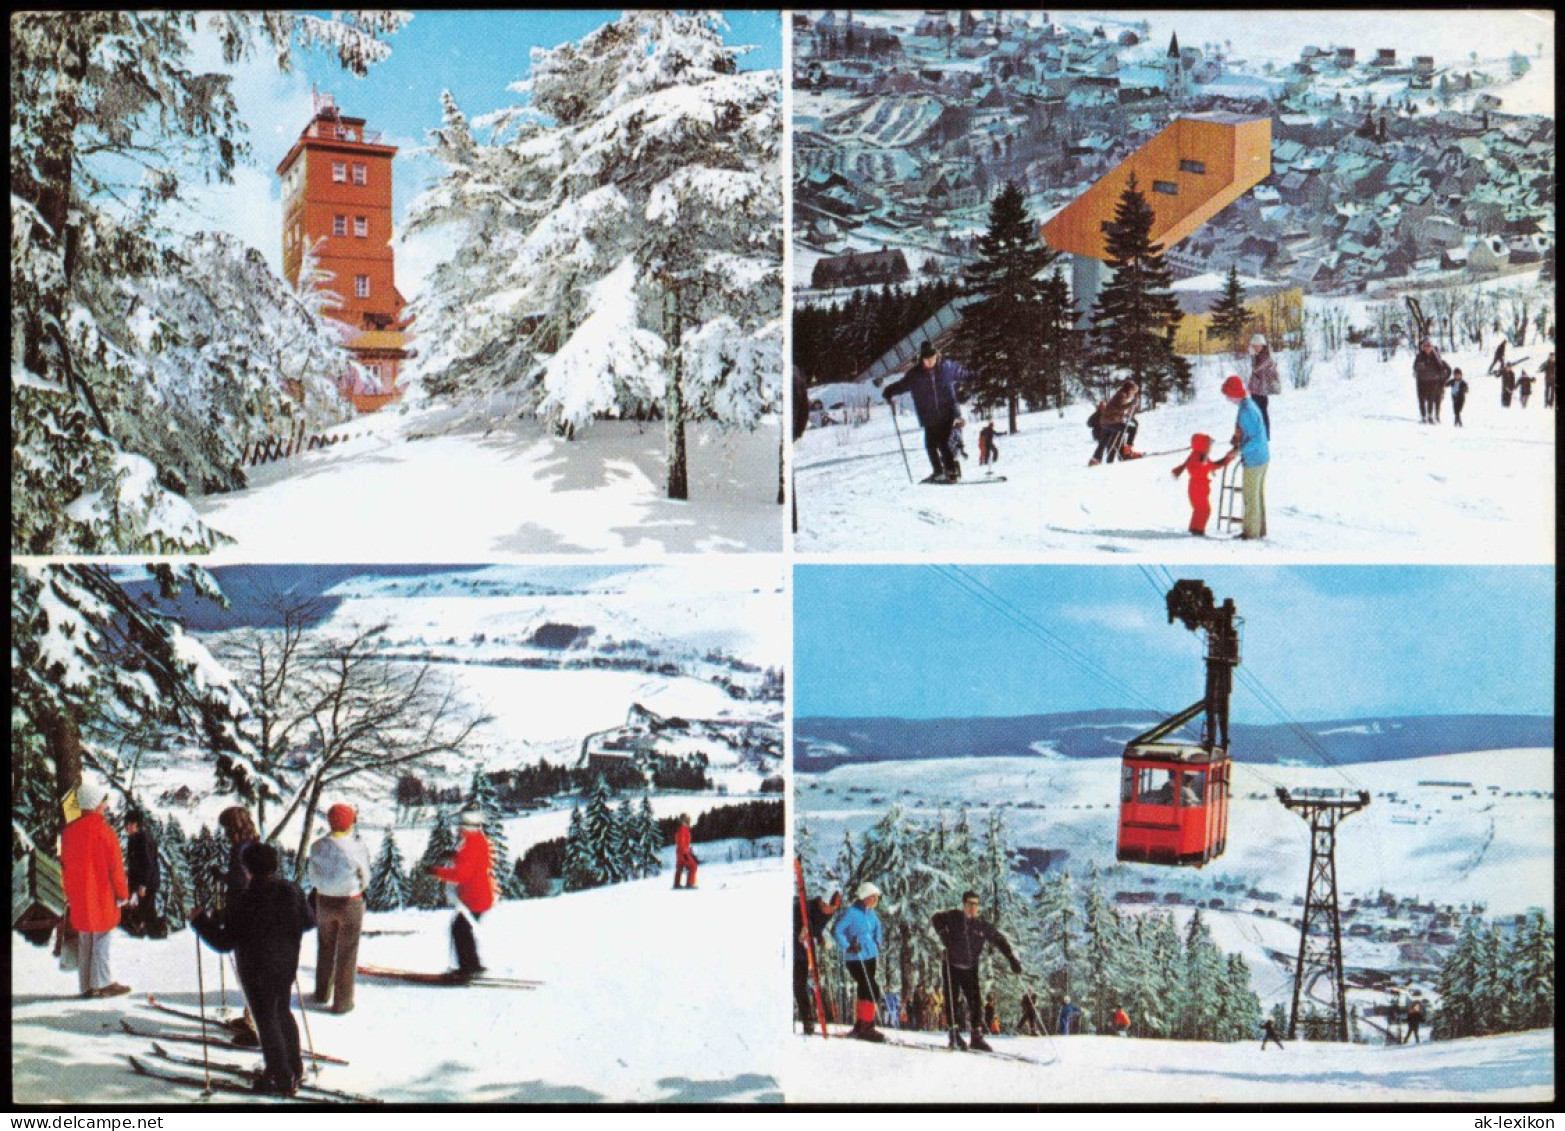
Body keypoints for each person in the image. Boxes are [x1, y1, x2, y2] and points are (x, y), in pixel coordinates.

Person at [192, 841, 314, 1095]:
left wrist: (201, 922)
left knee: (267, 1020)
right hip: (286, 965)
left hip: (256, 970)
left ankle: (281, 1078)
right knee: (282, 1012)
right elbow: (308, 921)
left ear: (248, 870)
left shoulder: (245, 899)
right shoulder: (291, 890)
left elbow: (224, 942)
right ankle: (293, 1067)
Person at [60, 781, 131, 999]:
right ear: (95, 804)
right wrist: (123, 894)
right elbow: (116, 868)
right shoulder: (105, 832)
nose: (105, 804)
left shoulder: (69, 833)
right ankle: (102, 984)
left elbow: (65, 868)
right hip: (102, 895)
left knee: (85, 940)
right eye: (103, 801)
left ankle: (86, 985)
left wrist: (69, 895)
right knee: (102, 939)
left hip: (79, 897)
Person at [931, 891, 1023, 1052]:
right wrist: (943, 934)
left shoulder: (981, 925)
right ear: (964, 904)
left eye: (975, 904)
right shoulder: (954, 916)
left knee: (975, 1002)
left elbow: (999, 939)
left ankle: (976, 1036)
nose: (972, 907)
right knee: (952, 1002)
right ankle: (954, 1034)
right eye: (969, 904)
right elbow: (936, 918)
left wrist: (1011, 959)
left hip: (970, 967)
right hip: (951, 965)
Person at [307, 803, 371, 1014]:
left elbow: (313, 877)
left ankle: (322, 992)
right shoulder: (357, 847)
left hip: (324, 901)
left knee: (325, 947)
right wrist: (359, 890)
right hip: (349, 902)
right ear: (350, 822)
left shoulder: (317, 846)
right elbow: (365, 877)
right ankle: (342, 1002)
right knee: (347, 952)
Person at [881, 341, 972, 483]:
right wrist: (889, 391)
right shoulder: (915, 375)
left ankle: (951, 471)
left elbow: (961, 373)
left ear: (937, 355)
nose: (930, 362)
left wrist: (974, 376)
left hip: (948, 411)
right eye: (927, 359)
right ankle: (938, 472)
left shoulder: (946, 367)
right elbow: (902, 385)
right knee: (930, 444)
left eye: (933, 358)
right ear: (921, 359)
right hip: (929, 415)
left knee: (943, 442)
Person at [429, 808, 495, 980]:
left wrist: (436, 872)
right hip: (481, 895)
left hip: (474, 897)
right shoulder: (479, 839)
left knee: (460, 928)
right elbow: (474, 862)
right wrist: (455, 856)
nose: (458, 828)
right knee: (462, 928)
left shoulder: (469, 844)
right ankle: (472, 966)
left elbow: (461, 875)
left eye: (461, 825)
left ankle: (468, 968)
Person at [832, 882, 885, 1042]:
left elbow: (877, 927)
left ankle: (861, 1025)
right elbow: (837, 930)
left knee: (864, 988)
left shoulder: (871, 913)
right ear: (866, 898)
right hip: (855, 957)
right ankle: (867, 1026)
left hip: (870, 956)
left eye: (877, 898)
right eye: (874, 898)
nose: (876, 901)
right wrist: (847, 946)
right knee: (871, 988)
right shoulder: (852, 912)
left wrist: (878, 942)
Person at [1221, 375, 1269, 540]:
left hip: (1255, 459)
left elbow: (1255, 438)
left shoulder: (1246, 410)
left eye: (1227, 394)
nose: (1227, 398)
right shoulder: (1248, 406)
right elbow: (1249, 433)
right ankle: (1258, 530)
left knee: (1250, 497)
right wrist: (1237, 440)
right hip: (1261, 457)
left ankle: (1250, 534)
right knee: (1257, 496)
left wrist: (1238, 451)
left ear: (1234, 393)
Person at [793, 888, 841, 1035]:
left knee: (801, 984)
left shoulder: (827, 912)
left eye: (834, 910)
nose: (831, 912)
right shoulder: (802, 908)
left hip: (805, 952)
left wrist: (820, 939)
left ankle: (808, 1020)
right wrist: (798, 934)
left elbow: (816, 928)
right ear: (822, 902)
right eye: (830, 908)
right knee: (796, 984)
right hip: (791, 949)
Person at [1171, 432, 1233, 536]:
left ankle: (1194, 529)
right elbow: (1214, 466)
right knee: (1204, 510)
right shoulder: (1201, 459)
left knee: (1199, 510)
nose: (1210, 448)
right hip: (1199, 489)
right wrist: (1228, 458)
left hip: (1195, 488)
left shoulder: (1195, 455)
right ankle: (1197, 530)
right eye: (1208, 445)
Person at [122, 809, 161, 939]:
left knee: (147, 910)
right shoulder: (133, 839)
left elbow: (148, 863)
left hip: (147, 882)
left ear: (137, 825)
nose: (128, 827)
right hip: (140, 882)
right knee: (142, 910)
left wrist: (143, 885)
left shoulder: (143, 838)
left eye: (131, 825)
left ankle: (154, 935)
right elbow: (133, 864)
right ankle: (146, 933)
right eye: (126, 825)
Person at [1089, 380, 1141, 465]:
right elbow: (1119, 408)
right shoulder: (1122, 395)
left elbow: (1117, 410)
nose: (1132, 395)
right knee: (1132, 429)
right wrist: (1131, 404)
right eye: (1133, 392)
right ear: (1129, 390)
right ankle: (1127, 450)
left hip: (1105, 422)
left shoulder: (1119, 395)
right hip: (1111, 422)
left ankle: (1096, 458)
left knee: (1104, 441)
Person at [1248, 334, 1281, 437]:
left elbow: (1255, 369)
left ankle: (1265, 436)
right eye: (1253, 346)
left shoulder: (1266, 357)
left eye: (1256, 346)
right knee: (1257, 414)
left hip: (1262, 390)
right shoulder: (1259, 355)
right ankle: (1260, 435)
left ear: (1262, 345)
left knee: (1261, 413)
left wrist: (1252, 355)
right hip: (1256, 390)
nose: (1255, 348)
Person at [1413, 338, 1451, 424]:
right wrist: (1419, 366)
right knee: (1421, 399)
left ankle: (1430, 416)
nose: (1427, 348)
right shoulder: (1419, 356)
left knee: (1430, 398)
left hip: (1432, 380)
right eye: (1425, 346)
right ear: (1423, 347)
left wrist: (1442, 378)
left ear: (1431, 347)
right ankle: (1423, 416)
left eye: (1429, 346)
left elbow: (1441, 367)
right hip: (1421, 380)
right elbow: (1414, 367)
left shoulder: (1435, 356)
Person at [673, 813, 699, 890]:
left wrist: (689, 850)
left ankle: (677, 884)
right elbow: (682, 842)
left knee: (680, 867)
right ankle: (690, 883)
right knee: (693, 866)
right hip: (683, 852)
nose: (689, 823)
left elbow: (681, 842)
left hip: (679, 852)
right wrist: (686, 853)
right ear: (684, 821)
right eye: (687, 821)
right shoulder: (683, 830)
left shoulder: (679, 829)